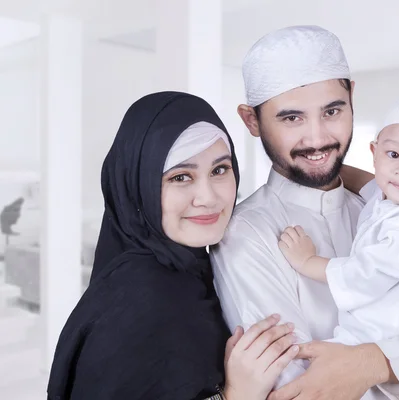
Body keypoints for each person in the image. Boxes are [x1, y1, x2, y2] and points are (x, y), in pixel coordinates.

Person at [210, 26, 399, 400]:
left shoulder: (395, 208)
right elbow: (300, 388)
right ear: (252, 121)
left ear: (352, 97)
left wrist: (374, 362)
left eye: (332, 110)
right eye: (291, 118)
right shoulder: (247, 233)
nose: (317, 138)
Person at [47, 91, 299, 400]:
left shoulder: (192, 273)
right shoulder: (139, 303)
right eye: (180, 177)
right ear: (137, 186)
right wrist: (236, 396)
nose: (207, 197)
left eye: (219, 170)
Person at [278, 90, 399, 391]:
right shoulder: (397, 200)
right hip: (379, 332)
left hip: (392, 338)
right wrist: (324, 166)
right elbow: (368, 185)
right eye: (393, 155)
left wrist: (307, 261)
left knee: (320, 376)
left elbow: (364, 275)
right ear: (375, 151)